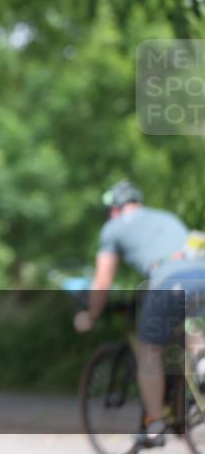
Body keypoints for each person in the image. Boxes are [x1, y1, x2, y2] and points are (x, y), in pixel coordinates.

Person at [73, 180, 205, 448]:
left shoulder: (113, 227)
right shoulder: (166, 217)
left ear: (114, 209)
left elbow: (102, 281)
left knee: (149, 351)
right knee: (194, 330)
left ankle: (155, 426)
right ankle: (201, 370)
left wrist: (91, 316)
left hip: (169, 282)